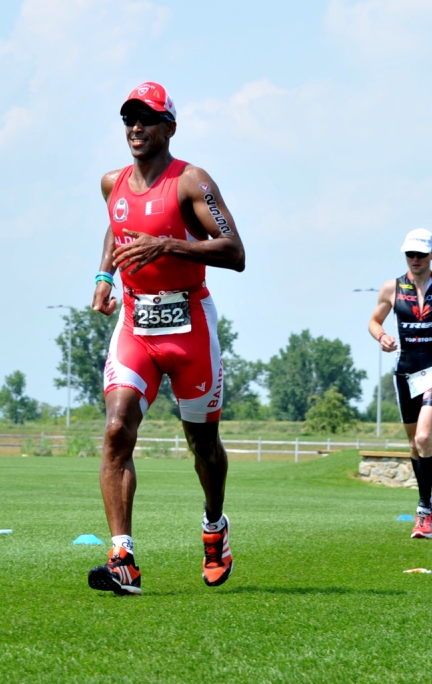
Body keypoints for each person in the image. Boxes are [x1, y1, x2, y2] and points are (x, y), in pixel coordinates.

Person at [86, 82, 246, 595]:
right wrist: (105, 279)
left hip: (190, 328)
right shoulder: (112, 182)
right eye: (129, 119)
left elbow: (235, 251)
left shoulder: (191, 182)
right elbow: (117, 226)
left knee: (203, 444)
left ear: (169, 128)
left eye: (147, 119)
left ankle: (215, 527)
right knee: (117, 429)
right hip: (135, 325)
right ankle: (122, 560)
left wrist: (171, 246)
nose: (136, 128)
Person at [368, 229, 432, 539]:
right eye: (409, 254)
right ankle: (429, 502)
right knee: (414, 445)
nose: (414, 259)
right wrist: (382, 336)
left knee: (425, 437)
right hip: (405, 372)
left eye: (420, 254)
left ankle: (424, 514)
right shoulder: (392, 288)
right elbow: (374, 321)